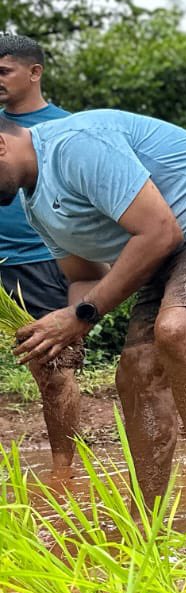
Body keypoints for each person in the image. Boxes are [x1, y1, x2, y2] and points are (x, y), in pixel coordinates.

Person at [0, 110, 186, 506]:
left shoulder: (75, 145)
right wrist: (66, 334)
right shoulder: (34, 205)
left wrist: (81, 316)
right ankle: (147, 515)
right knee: (136, 369)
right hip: (169, 250)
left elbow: (161, 231)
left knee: (178, 330)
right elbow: (84, 279)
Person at [0, 35, 76, 477]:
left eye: (4, 71)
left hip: (42, 260)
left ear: (35, 72)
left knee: (53, 370)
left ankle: (62, 470)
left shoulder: (68, 129)